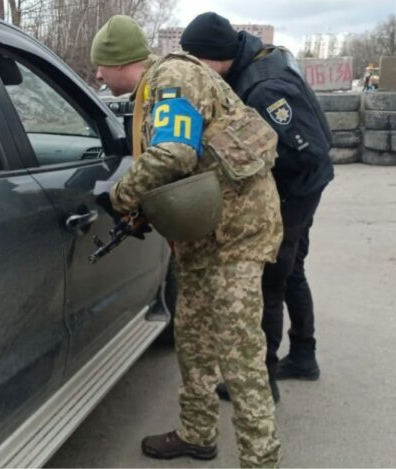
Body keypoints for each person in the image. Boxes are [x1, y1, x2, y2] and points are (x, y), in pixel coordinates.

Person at [91, 15, 283, 468]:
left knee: (240, 354)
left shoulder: (172, 78)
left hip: (235, 236)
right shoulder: (157, 85)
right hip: (203, 235)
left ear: (123, 63)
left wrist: (120, 197)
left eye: (101, 66)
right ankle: (197, 434)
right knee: (193, 338)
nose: (97, 75)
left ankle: (261, 459)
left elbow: (173, 152)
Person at [180, 12, 333, 403]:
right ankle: (303, 355)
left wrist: (257, 175)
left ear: (215, 56)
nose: (195, 70)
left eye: (197, 61)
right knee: (293, 270)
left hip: (293, 193)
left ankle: (263, 379)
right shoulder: (255, 61)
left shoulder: (263, 87)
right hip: (304, 188)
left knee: (269, 280)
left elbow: (309, 149)